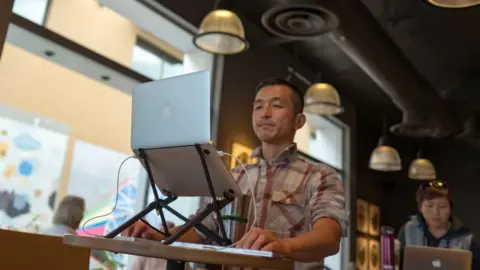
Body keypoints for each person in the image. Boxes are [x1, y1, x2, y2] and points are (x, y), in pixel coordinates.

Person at [122, 78, 347, 269]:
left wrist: (282, 246)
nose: (265, 113)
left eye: (276, 106)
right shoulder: (233, 176)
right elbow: (203, 230)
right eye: (258, 106)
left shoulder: (320, 176)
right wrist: (159, 235)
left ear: (299, 121)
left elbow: (329, 238)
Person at [397, 180, 479, 270]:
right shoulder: (408, 230)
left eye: (442, 206)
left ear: (451, 208)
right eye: (429, 206)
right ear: (420, 208)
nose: (436, 212)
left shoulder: (466, 239)